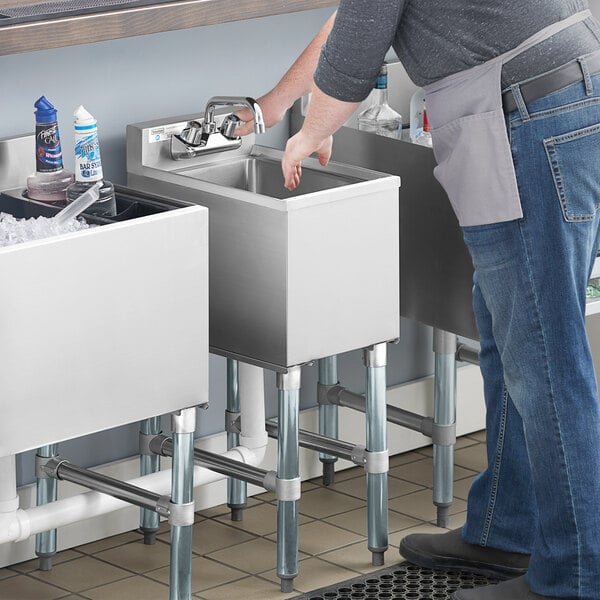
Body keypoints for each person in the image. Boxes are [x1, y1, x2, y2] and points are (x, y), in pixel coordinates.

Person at [236, 2, 600, 599]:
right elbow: (354, 21)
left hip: (528, 115)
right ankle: (507, 527)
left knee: (545, 360)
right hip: (557, 97)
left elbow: (356, 44)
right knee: (512, 335)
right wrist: (273, 109)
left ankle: (577, 578)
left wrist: (315, 128)